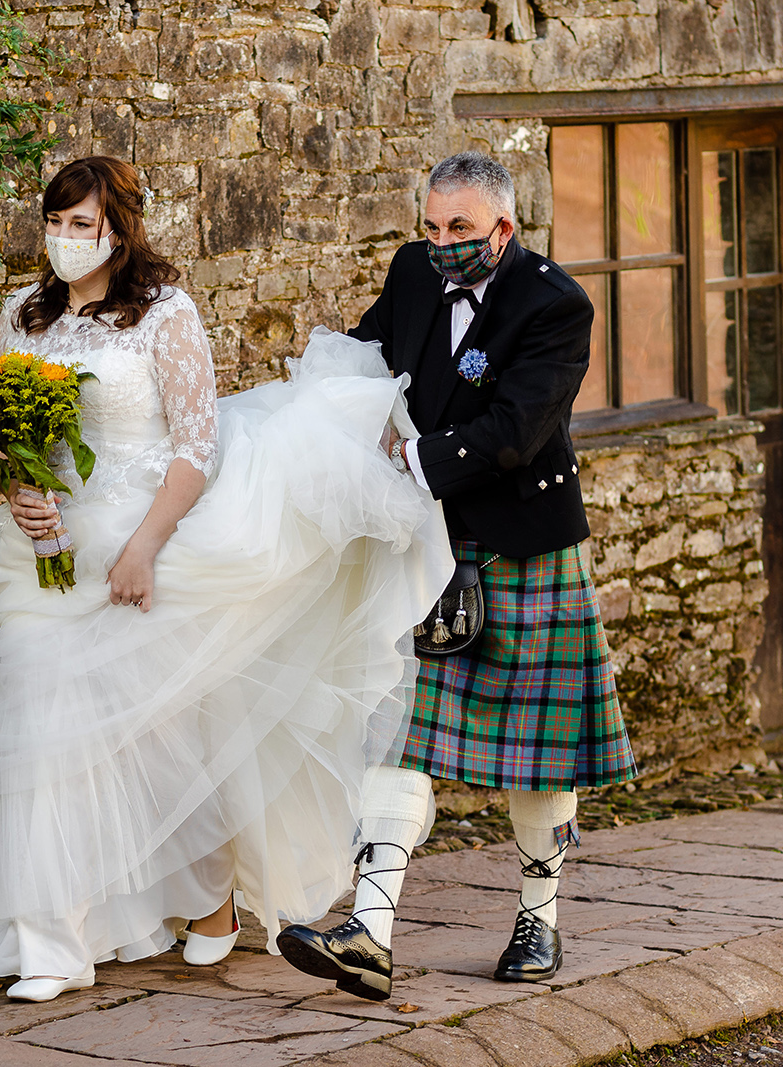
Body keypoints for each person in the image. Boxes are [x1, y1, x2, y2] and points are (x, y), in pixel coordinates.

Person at [0, 156, 452, 1002]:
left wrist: (144, 546)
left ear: (119, 228)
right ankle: (50, 938)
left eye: (82, 224)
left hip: (146, 535)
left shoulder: (164, 313)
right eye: (55, 221)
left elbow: (198, 446)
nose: (64, 239)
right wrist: (18, 491)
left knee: (163, 732)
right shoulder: (23, 316)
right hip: (43, 553)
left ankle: (209, 895)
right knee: (42, 727)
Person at [277, 151, 638, 1000]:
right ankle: (368, 930)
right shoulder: (412, 272)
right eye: (432, 226)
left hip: (522, 544)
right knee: (398, 729)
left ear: (503, 229)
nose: (442, 244)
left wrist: (408, 455)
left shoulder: (554, 304)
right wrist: (313, 421)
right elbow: (370, 360)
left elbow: (514, 429)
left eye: (461, 230)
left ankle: (539, 917)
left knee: (541, 759)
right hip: (426, 541)